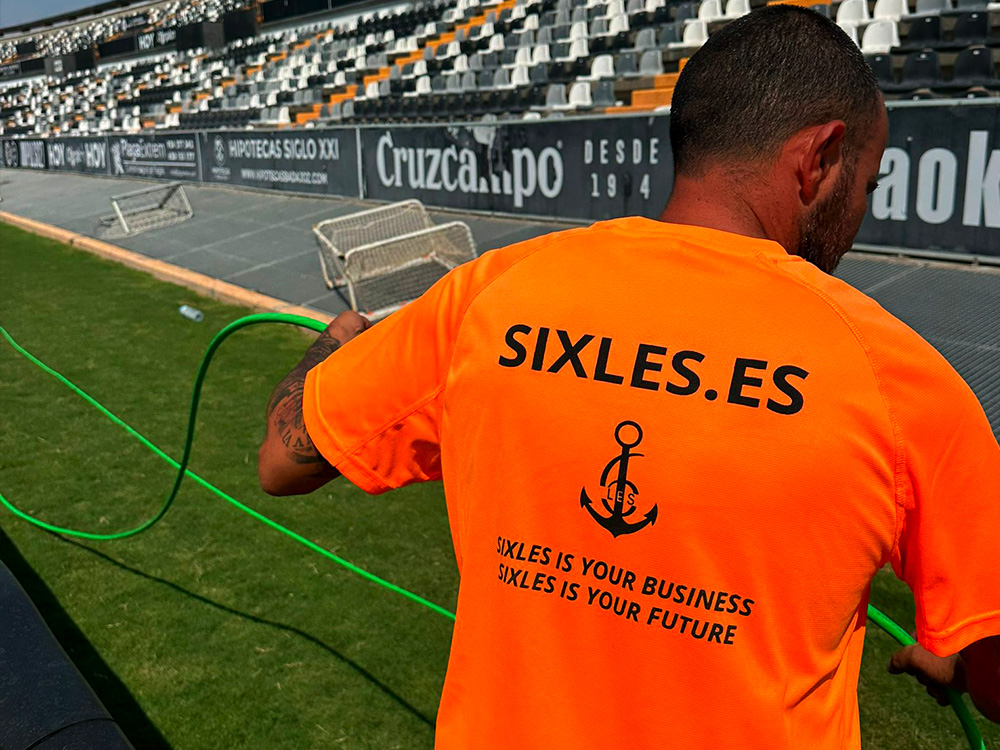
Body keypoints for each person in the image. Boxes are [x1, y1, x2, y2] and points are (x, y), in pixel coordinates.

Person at [258, 6, 1000, 748]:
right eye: (866, 184)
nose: (862, 209)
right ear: (821, 157)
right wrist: (969, 668)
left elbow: (283, 462)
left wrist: (335, 340)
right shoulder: (897, 380)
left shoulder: (489, 295)